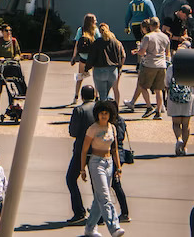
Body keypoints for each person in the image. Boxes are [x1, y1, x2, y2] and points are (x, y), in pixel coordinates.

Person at [78, 99, 125, 237]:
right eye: (101, 113)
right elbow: (84, 150)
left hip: (109, 163)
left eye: (106, 113)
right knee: (105, 196)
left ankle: (90, 228)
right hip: (96, 163)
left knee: (99, 198)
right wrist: (82, 169)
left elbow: (115, 149)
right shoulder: (92, 129)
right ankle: (114, 227)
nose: (104, 116)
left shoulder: (112, 128)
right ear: (97, 114)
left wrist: (118, 167)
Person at [64, 84, 99, 222]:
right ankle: (99, 211)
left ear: (82, 96)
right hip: (98, 148)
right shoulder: (99, 108)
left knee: (71, 179)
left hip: (81, 149)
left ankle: (79, 211)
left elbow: (73, 132)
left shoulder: (79, 110)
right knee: (96, 182)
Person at [131, 18, 169, 117]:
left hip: (149, 64)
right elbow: (167, 53)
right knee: (158, 89)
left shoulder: (148, 37)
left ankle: (149, 107)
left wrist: (137, 51)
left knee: (143, 86)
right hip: (162, 65)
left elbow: (142, 52)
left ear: (150, 26)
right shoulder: (165, 37)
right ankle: (158, 111)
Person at [91, 23, 125, 107]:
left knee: (102, 94)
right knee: (112, 90)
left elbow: (92, 56)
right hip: (113, 70)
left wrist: (87, 67)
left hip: (100, 70)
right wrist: (119, 67)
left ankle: (104, 109)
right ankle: (114, 107)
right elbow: (123, 56)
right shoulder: (116, 42)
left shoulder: (97, 42)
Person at [165, 69, 194, 157]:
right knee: (186, 125)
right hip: (188, 97)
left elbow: (166, 83)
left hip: (174, 99)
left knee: (176, 123)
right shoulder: (191, 67)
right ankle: (184, 147)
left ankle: (179, 139)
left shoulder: (171, 68)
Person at [71, 13, 100, 98]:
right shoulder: (95, 30)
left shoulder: (81, 30)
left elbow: (77, 44)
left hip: (83, 57)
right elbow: (99, 42)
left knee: (80, 77)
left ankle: (76, 95)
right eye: (95, 20)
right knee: (96, 78)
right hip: (93, 57)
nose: (96, 22)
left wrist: (74, 56)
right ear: (92, 21)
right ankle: (96, 95)